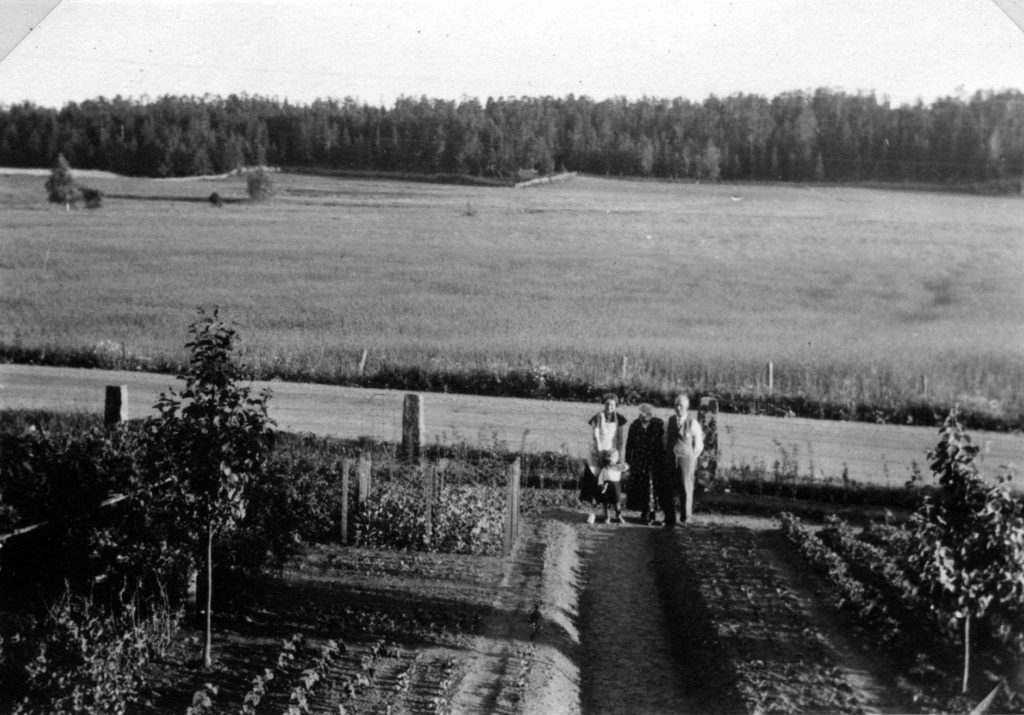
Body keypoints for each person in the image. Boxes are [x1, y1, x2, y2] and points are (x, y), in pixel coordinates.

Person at [579, 393, 628, 524]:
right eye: (607, 404)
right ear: (604, 404)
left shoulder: (619, 419)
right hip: (597, 455)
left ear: (616, 406)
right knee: (596, 485)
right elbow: (595, 437)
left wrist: (617, 456)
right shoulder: (598, 418)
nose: (609, 407)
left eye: (612, 404)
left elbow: (620, 440)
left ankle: (610, 514)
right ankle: (592, 513)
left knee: (611, 486)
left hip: (612, 457)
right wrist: (600, 455)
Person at [662, 393, 704, 527]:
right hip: (670, 459)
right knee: (667, 487)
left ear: (686, 407)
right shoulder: (669, 421)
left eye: (681, 405)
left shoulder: (693, 423)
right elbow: (664, 440)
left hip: (686, 460)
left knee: (686, 488)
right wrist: (669, 453)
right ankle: (669, 518)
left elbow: (698, 446)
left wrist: (690, 457)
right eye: (676, 405)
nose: (678, 408)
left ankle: (685, 518)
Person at [624, 403, 664, 524]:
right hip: (639, 460)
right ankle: (644, 512)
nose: (643, 415)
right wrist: (627, 461)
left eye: (645, 412)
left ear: (651, 413)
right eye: (641, 412)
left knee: (651, 487)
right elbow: (629, 444)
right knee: (641, 486)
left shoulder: (658, 424)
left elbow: (663, 442)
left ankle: (651, 513)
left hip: (653, 460)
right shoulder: (635, 425)